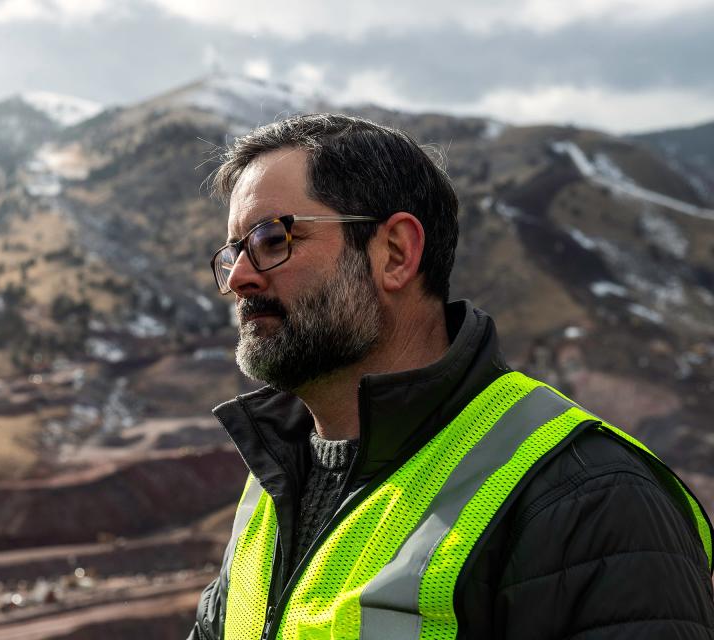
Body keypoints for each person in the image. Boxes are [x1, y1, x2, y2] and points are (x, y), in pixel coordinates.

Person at [187, 113, 714, 640]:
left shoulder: (589, 498)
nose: (238, 278)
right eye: (234, 251)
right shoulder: (271, 486)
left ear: (395, 253)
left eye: (271, 239)